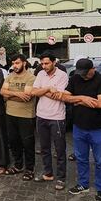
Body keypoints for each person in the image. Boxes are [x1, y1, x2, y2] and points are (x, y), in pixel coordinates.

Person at [60, 58, 101, 201]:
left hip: (98, 128)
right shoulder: (76, 78)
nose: (83, 75)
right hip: (79, 126)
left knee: (100, 160)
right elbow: (64, 97)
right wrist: (83, 98)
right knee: (81, 158)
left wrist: (76, 101)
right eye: (81, 73)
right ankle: (83, 184)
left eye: (86, 73)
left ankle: (100, 189)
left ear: (92, 69)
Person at [30, 52, 69, 190]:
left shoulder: (62, 75)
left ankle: (61, 178)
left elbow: (57, 95)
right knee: (44, 148)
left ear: (54, 62)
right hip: (41, 115)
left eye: (46, 63)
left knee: (59, 149)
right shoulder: (40, 74)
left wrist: (41, 90)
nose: (44, 66)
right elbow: (33, 92)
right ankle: (48, 173)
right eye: (42, 63)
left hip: (57, 116)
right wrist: (47, 88)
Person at [0, 54, 37, 180]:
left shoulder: (31, 77)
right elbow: (2, 92)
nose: (14, 66)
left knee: (27, 143)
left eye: (17, 63)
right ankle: (18, 165)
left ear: (24, 63)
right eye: (13, 63)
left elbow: (27, 97)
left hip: (26, 116)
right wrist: (17, 94)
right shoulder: (10, 76)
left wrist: (9, 95)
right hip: (10, 114)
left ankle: (30, 169)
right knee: (14, 141)